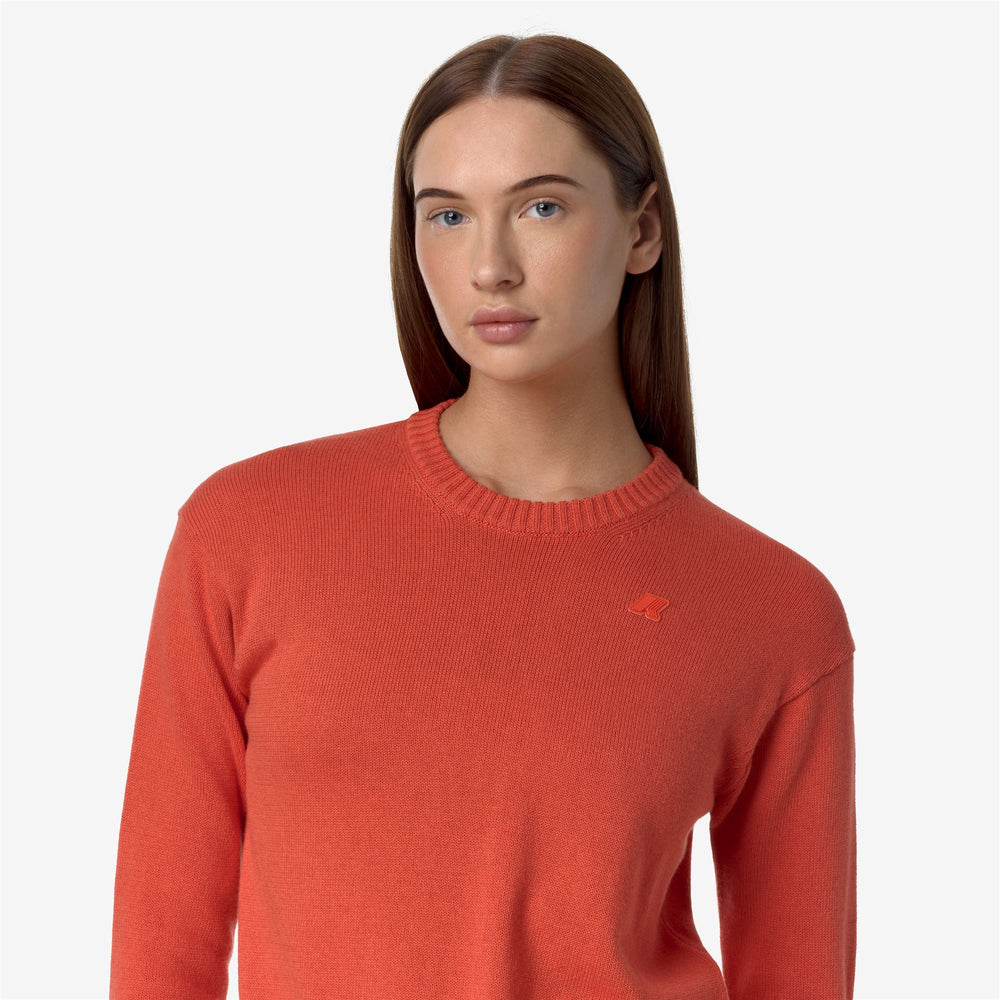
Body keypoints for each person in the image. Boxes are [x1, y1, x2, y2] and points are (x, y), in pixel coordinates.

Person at [109, 32, 856, 1000]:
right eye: (449, 215)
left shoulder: (772, 610)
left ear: (641, 232)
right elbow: (161, 946)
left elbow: (798, 980)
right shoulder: (248, 531)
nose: (489, 266)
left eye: (542, 207)